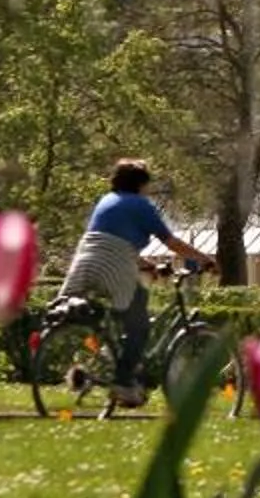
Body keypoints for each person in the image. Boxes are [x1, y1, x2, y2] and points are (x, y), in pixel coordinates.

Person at [58, 160, 212, 404]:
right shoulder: (141, 205)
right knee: (139, 321)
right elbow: (171, 243)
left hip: (85, 261)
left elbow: (112, 242)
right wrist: (204, 259)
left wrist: (148, 266)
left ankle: (111, 356)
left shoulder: (106, 201)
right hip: (112, 267)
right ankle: (123, 383)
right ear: (141, 184)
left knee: (116, 318)